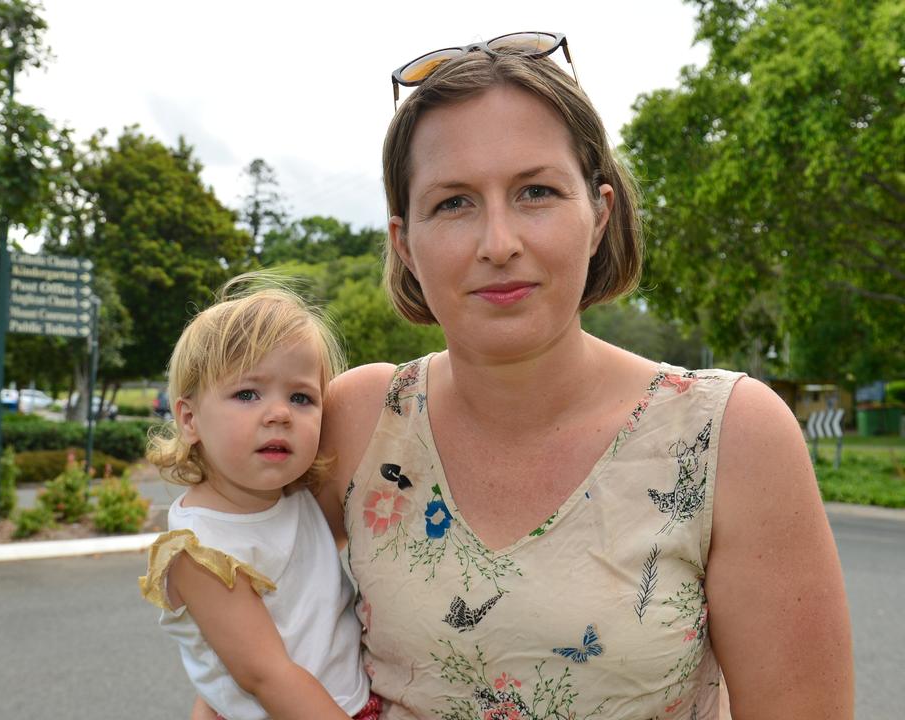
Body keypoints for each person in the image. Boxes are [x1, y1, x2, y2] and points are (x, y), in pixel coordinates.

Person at [316, 33, 854, 719]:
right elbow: (237, 628)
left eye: (536, 192)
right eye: (454, 203)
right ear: (405, 243)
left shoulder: (729, 437)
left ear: (598, 215)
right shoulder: (362, 422)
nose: (499, 243)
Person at [138, 278, 380, 720]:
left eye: (302, 397)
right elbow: (264, 675)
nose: (279, 413)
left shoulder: (293, 498)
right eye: (247, 394)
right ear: (189, 419)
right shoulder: (201, 547)